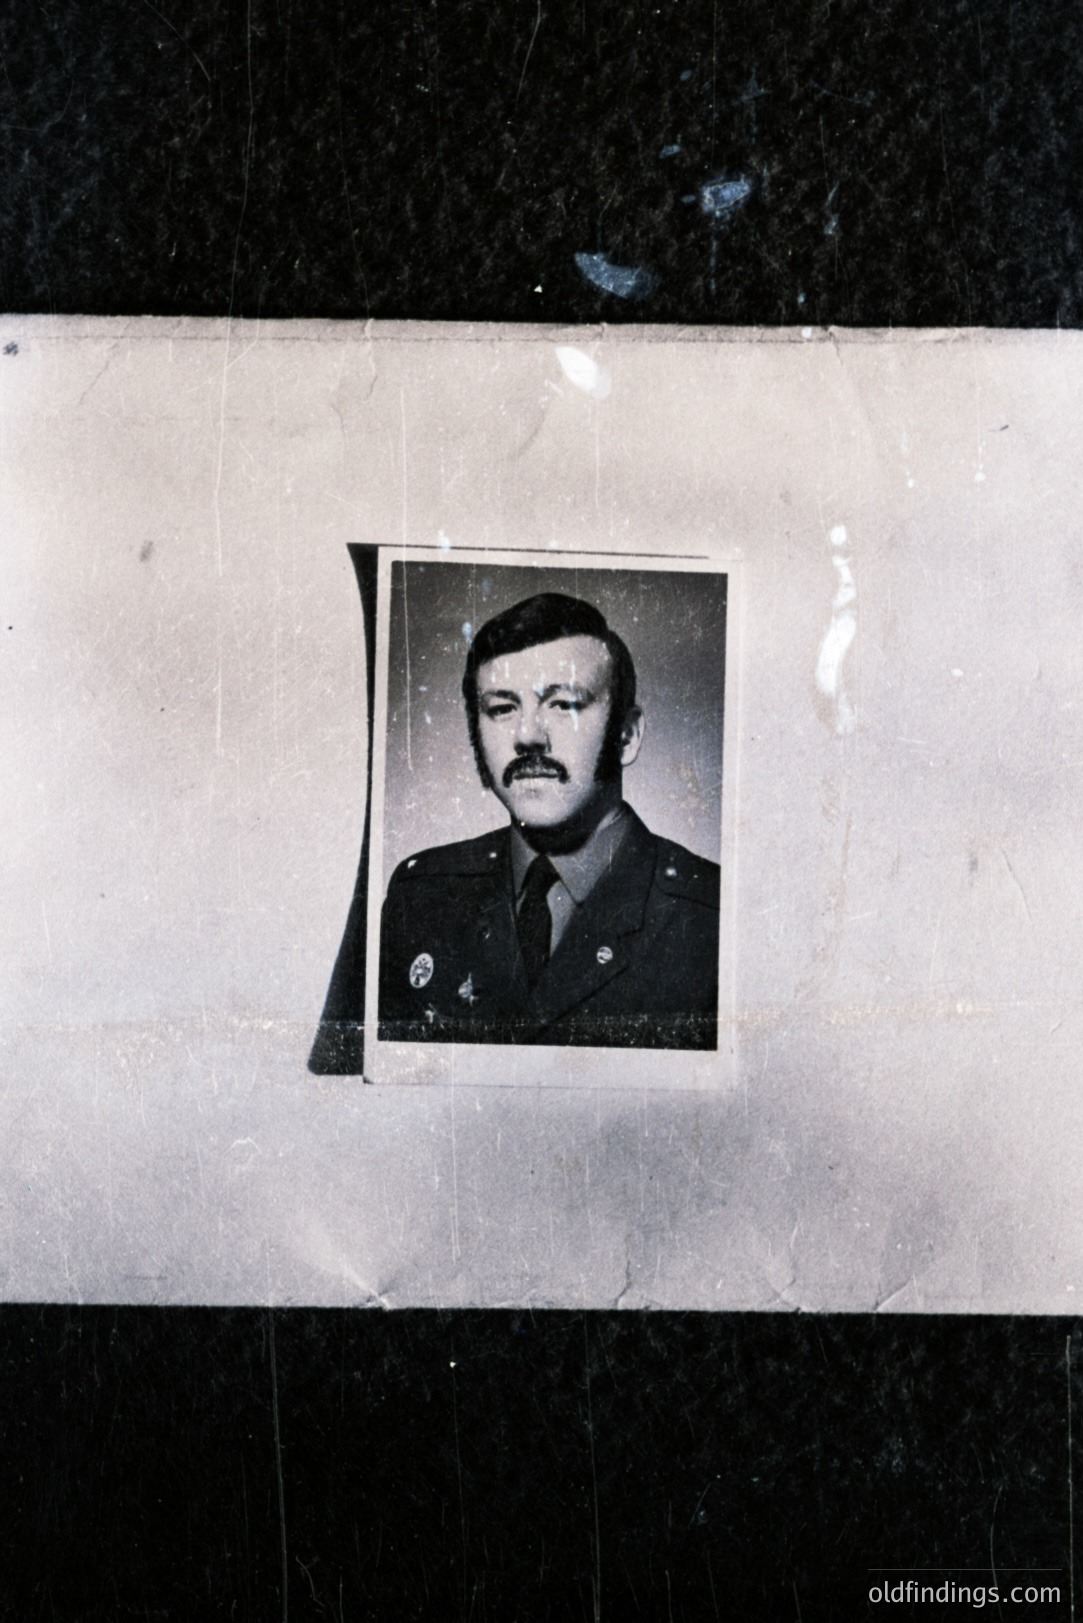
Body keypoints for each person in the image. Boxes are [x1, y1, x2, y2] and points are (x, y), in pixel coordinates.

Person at [378, 592, 721, 1049]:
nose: (527, 735)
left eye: (564, 705)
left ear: (627, 735)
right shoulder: (420, 900)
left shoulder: (711, 920)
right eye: (502, 709)